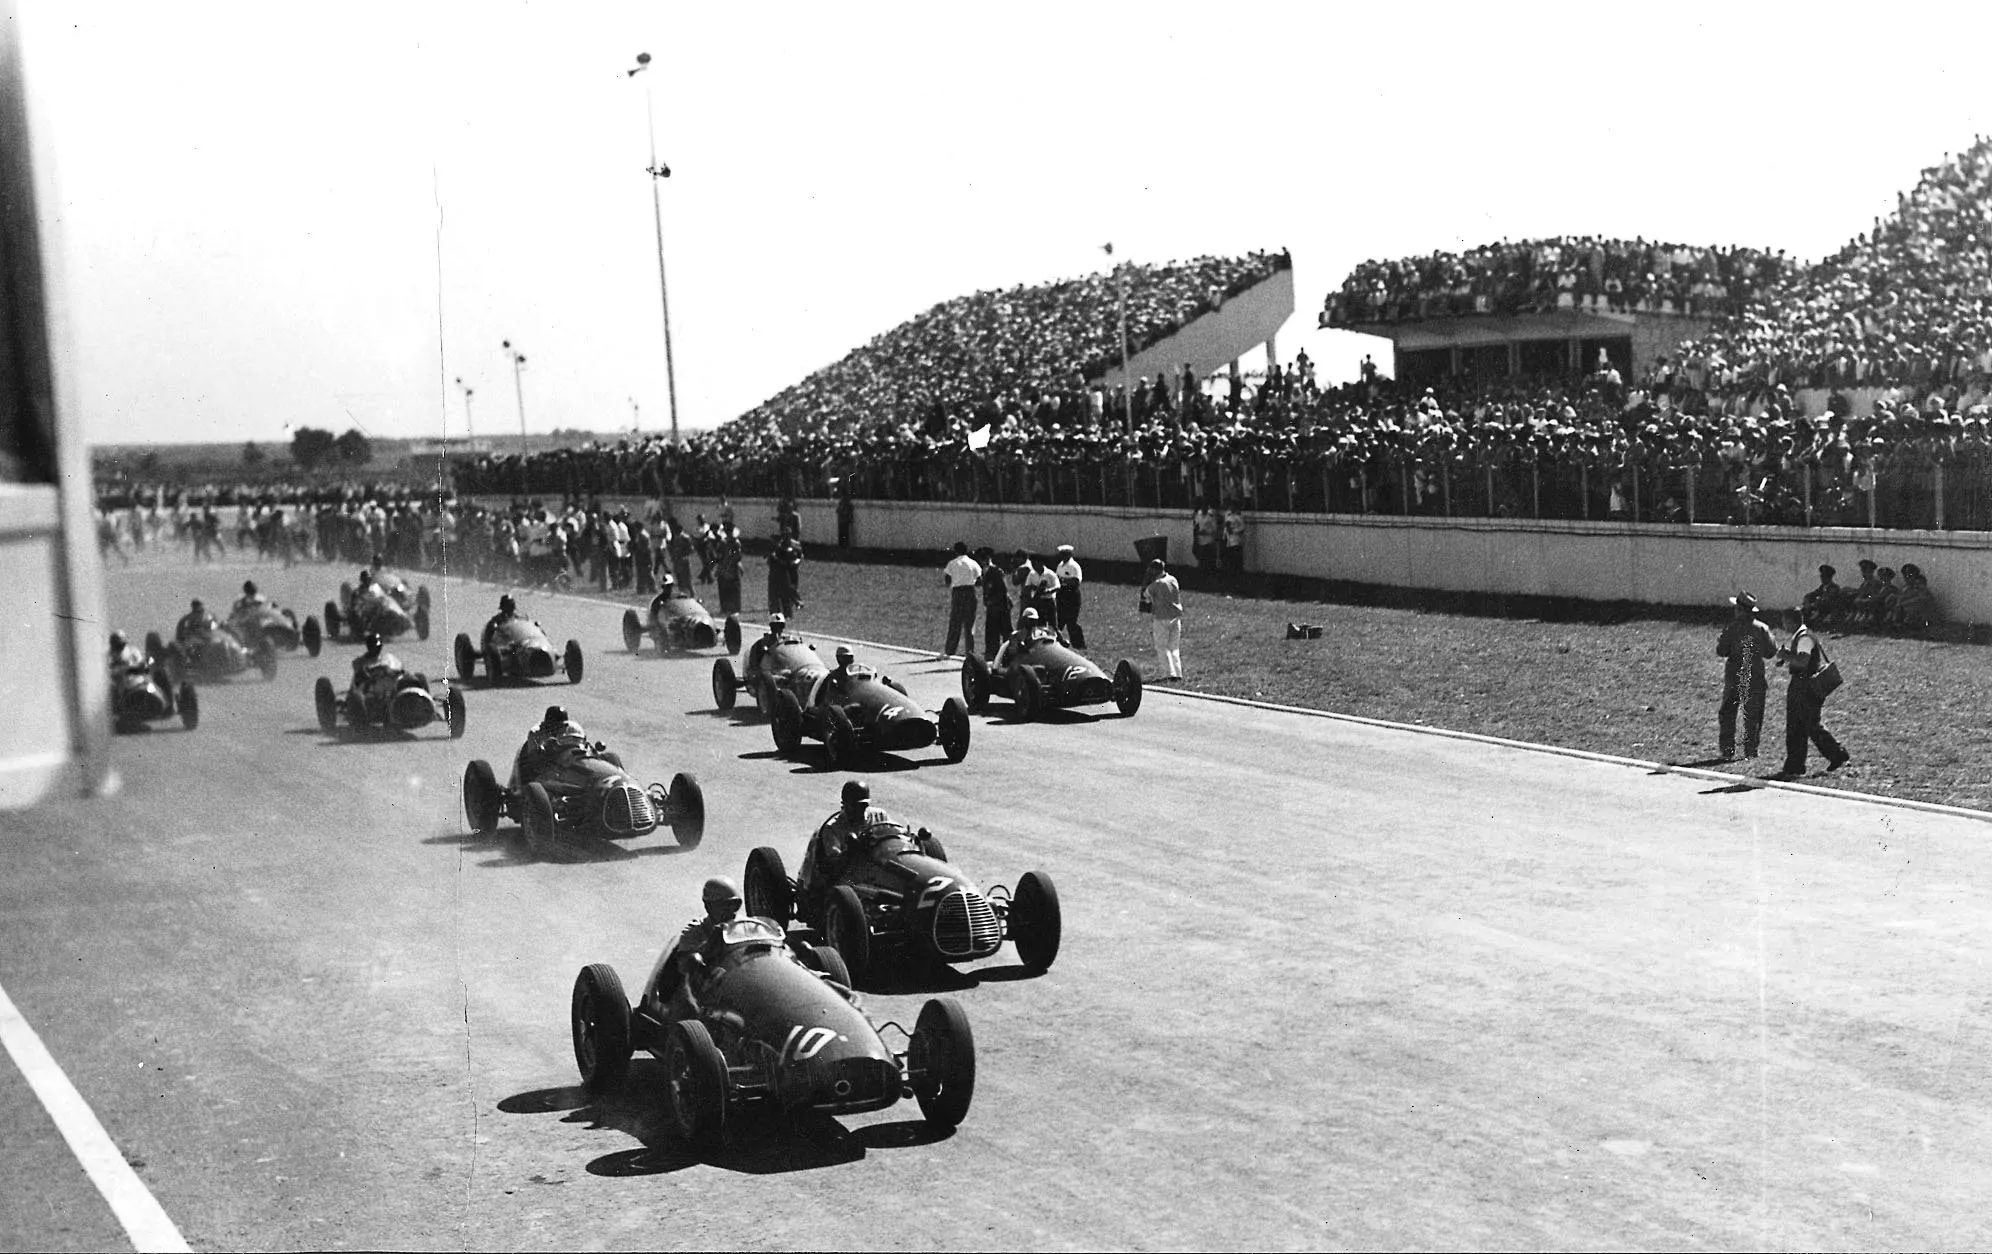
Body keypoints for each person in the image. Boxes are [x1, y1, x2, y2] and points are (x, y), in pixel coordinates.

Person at [1774, 605, 1849, 778]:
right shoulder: (1804, 635)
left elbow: (1802, 661)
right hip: (1803, 685)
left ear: (1791, 621)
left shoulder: (1804, 638)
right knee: (1799, 725)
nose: (1783, 625)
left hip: (1805, 686)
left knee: (1808, 725)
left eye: (1784, 621)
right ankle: (1796, 764)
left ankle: (1836, 754)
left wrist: (1785, 656)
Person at [795, 780, 890, 906]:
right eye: (854, 806)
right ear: (844, 805)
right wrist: (851, 850)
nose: (860, 810)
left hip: (874, 868)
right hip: (844, 877)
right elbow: (833, 865)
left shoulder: (879, 816)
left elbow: (893, 837)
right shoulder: (832, 828)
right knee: (858, 890)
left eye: (863, 806)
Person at [655, 876, 746, 1003]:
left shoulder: (745, 926)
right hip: (703, 994)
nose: (731, 911)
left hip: (742, 984)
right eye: (724, 905)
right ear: (708, 906)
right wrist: (709, 945)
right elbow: (685, 966)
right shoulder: (693, 932)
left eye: (735, 905)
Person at [1715, 592, 1775, 760]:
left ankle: (1727, 749)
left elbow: (1721, 651)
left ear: (1740, 609)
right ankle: (1751, 750)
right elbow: (1770, 652)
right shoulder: (1762, 628)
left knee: (1728, 712)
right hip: (1755, 674)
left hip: (1735, 674)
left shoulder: (1731, 627)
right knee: (1753, 714)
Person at [1140, 558, 1184, 680]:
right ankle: (1178, 672)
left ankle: (1168, 674)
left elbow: (1146, 596)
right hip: (1176, 617)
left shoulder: (1156, 584)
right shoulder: (1173, 579)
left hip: (1161, 617)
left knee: (1161, 646)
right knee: (1174, 647)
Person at [941, 541, 981, 659]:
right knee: (969, 623)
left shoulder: (953, 563)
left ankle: (950, 650)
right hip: (970, 592)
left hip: (958, 592)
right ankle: (970, 651)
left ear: (956, 551)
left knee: (955, 622)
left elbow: (947, 578)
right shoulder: (973, 563)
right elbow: (979, 579)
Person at [976, 545, 1012, 659]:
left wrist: (994, 602)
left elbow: (1003, 589)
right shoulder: (985, 571)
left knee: (1004, 632)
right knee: (992, 632)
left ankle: (1007, 654)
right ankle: (992, 654)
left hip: (1000, 606)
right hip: (992, 606)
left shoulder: (996, 571)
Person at [1054, 544, 1086, 649]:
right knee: (1059, 620)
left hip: (1071, 594)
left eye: (1064, 554)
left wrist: (1063, 580)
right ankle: (1057, 641)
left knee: (1071, 621)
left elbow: (1076, 581)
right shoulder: (1060, 565)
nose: (1062, 556)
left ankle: (1079, 644)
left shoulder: (1074, 566)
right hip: (1061, 594)